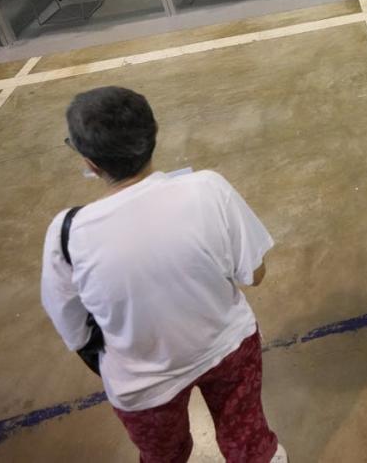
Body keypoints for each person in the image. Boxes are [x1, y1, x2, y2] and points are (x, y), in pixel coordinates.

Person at [41, 86, 285, 463]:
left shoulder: (67, 233)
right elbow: (255, 274)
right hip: (227, 348)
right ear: (154, 131)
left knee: (163, 456)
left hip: (141, 382)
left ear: (90, 161)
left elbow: (74, 330)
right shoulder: (208, 188)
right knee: (246, 436)